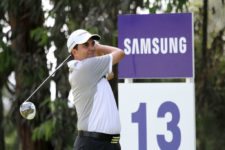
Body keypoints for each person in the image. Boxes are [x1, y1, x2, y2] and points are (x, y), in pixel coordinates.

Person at [66, 29, 125, 150]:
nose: (91, 48)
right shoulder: (86, 67)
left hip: (108, 144)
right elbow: (120, 53)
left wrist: (94, 50)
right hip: (93, 144)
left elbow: (110, 75)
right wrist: (99, 47)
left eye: (93, 43)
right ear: (74, 51)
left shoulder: (88, 69)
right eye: (85, 45)